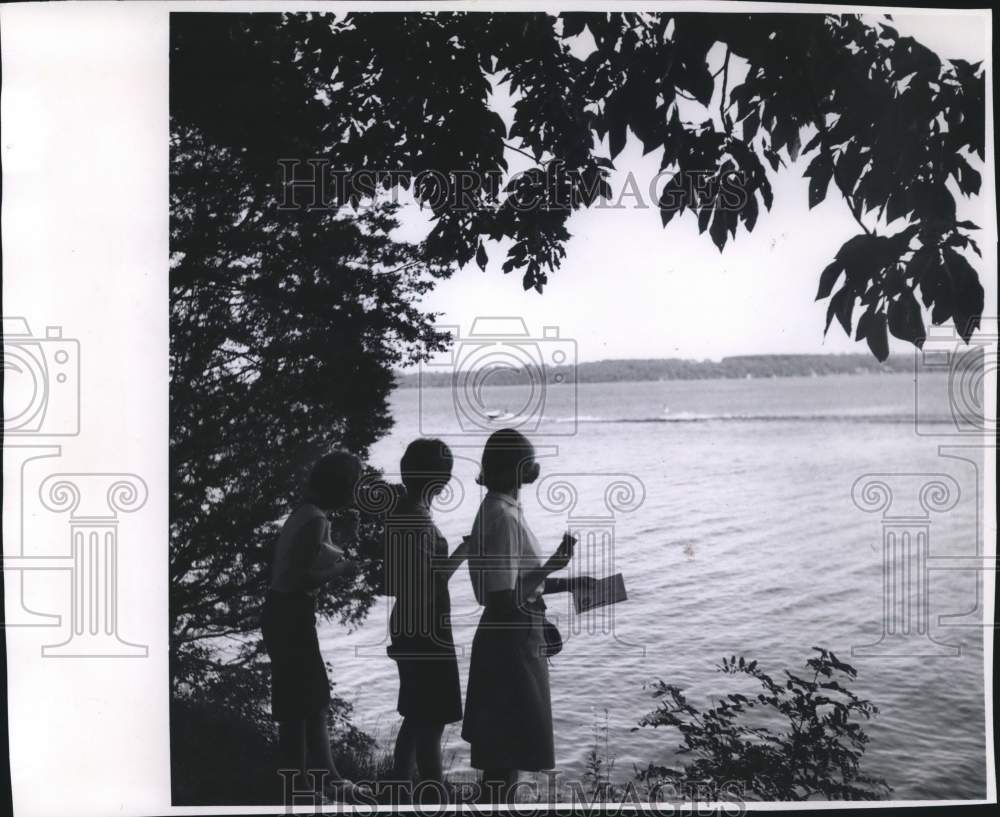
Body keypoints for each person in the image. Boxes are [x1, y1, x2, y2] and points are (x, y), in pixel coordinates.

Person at [461, 428, 596, 803]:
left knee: (506, 751)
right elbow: (502, 597)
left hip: (511, 635)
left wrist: (568, 582)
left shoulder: (500, 508)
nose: (535, 466)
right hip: (510, 639)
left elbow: (519, 583)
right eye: (530, 459)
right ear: (515, 467)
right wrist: (551, 566)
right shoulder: (502, 516)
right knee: (505, 753)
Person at [260, 450, 365, 803]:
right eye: (355, 485)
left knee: (314, 699)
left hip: (288, 613)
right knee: (297, 706)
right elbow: (300, 575)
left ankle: (327, 779)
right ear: (342, 487)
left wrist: (340, 548)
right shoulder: (315, 519)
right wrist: (342, 570)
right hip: (291, 615)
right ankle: (300, 789)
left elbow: (305, 559)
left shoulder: (309, 513)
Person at [385, 439, 468, 801]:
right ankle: (435, 793)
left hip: (409, 621)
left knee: (417, 711)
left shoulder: (404, 513)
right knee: (430, 716)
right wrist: (465, 551)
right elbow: (425, 584)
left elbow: (397, 581)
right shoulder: (416, 520)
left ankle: (399, 784)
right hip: (424, 626)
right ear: (442, 481)